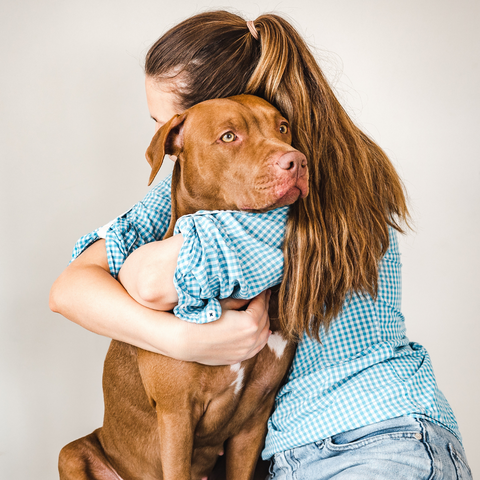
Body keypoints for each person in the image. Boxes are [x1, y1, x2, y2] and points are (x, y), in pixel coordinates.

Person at [49, 10, 472, 479]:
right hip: (322, 452)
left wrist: (164, 316)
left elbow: (148, 281)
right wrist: (183, 339)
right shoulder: (204, 182)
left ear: (226, 113)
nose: (167, 146)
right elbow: (69, 290)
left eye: (165, 123)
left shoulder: (288, 188)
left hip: (365, 446)